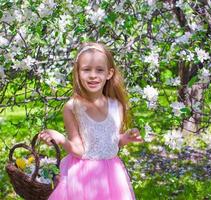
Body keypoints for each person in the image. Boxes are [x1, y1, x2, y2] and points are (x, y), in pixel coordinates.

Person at [38, 42, 143, 200]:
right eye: (87, 69)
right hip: (84, 176)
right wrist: (60, 139)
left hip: (112, 175)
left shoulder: (117, 106)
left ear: (109, 73)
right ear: (78, 72)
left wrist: (125, 138)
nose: (93, 75)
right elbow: (79, 150)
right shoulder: (72, 107)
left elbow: (111, 142)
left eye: (99, 70)